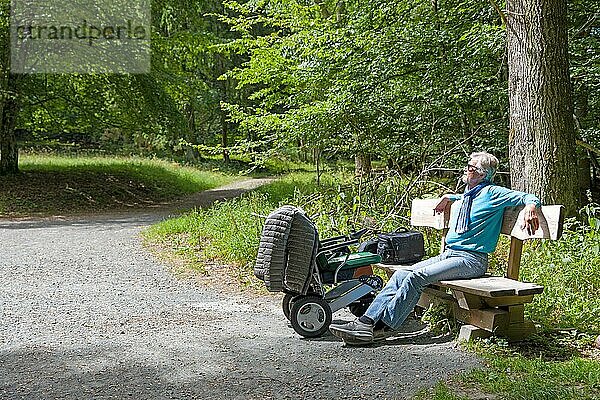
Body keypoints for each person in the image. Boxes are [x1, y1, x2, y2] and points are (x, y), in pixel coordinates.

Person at [329, 151, 541, 345]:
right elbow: (468, 198)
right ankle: (366, 322)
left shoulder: (494, 193)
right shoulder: (469, 194)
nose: (466, 170)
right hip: (451, 254)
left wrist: (531, 207)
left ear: (483, 174)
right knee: (402, 274)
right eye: (467, 166)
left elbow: (528, 197)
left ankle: (382, 328)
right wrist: (450, 197)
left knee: (416, 277)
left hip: (471, 260)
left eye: (471, 168)